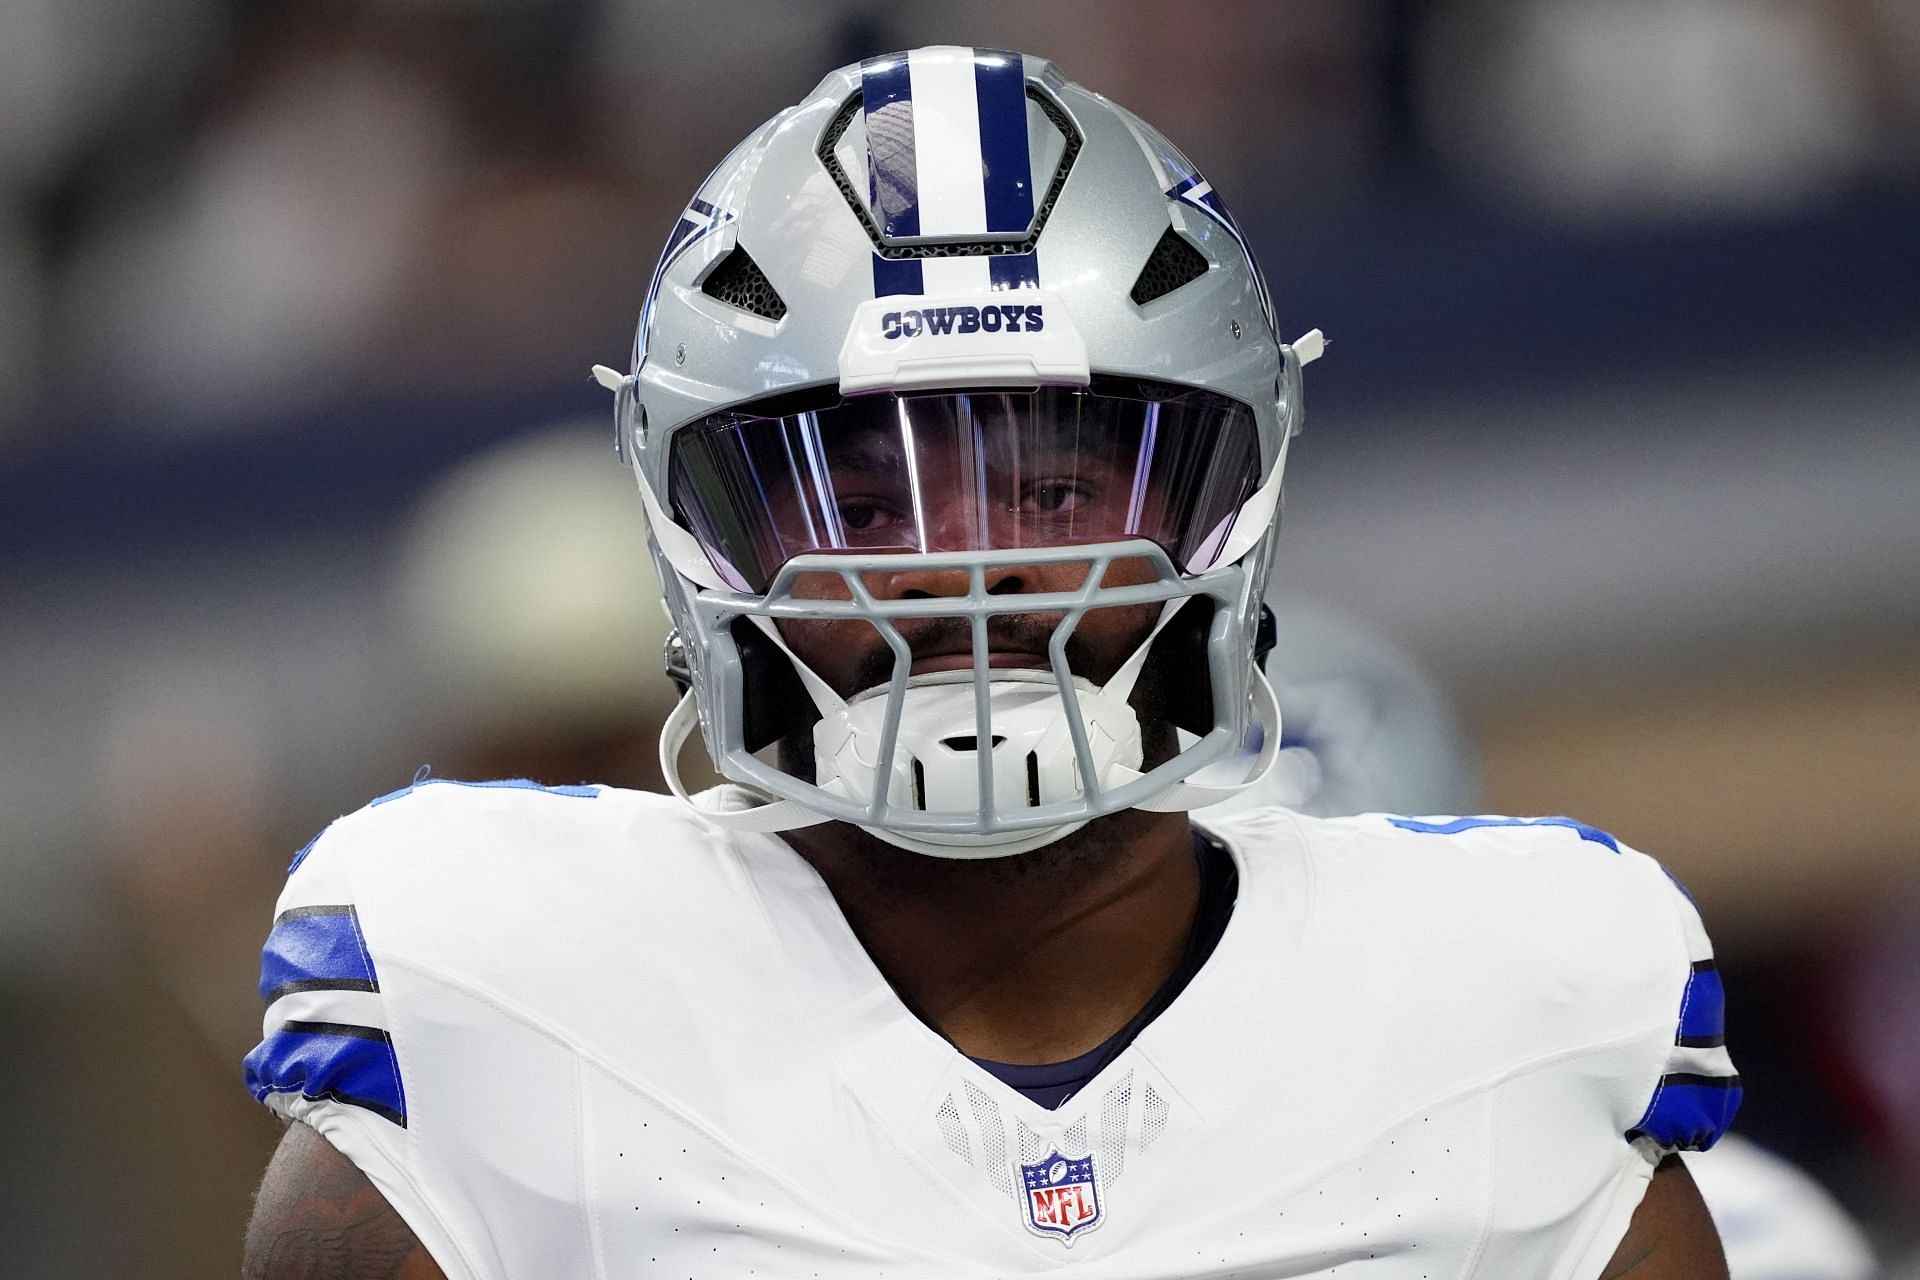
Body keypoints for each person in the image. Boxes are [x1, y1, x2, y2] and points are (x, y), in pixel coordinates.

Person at [241, 47, 1740, 1277]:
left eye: (1055, 488)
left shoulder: (1512, 1002)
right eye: (872, 499)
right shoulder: (502, 988)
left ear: (1230, 494)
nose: (973, 573)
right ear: (699, 527)